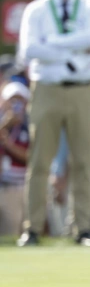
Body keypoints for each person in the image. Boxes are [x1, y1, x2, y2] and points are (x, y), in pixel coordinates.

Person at [16, 0, 90, 247]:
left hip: (82, 89)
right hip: (47, 88)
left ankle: (82, 228)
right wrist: (73, 51)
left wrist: (52, 43)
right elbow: (29, 50)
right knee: (39, 161)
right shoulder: (36, 9)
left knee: (83, 162)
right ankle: (32, 228)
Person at [0, 82, 31, 236]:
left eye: (19, 99)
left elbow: (30, 156)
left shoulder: (30, 124)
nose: (15, 104)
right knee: (8, 233)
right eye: (12, 100)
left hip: (25, 186)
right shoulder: (3, 122)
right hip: (5, 186)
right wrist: (5, 124)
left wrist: (9, 145)